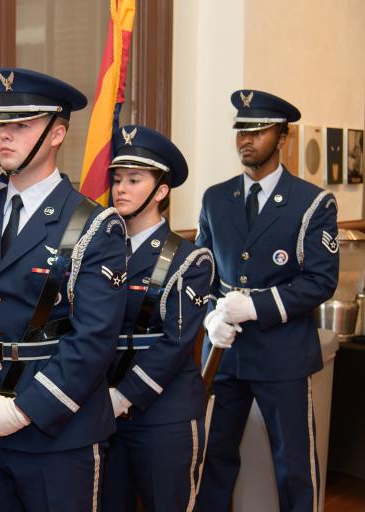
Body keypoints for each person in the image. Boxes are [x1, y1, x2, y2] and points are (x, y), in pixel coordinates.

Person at [0, 67, 128, 511]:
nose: (5, 137)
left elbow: (94, 340)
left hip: (56, 436)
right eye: (1, 125)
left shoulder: (94, 226)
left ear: (57, 134)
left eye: (22, 126)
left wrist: (25, 409)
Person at [196, 90, 339, 511]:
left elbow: (321, 281)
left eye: (258, 130)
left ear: (282, 137)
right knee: (213, 459)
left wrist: (256, 306)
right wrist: (208, 318)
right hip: (224, 353)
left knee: (293, 465)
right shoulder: (215, 198)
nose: (247, 138)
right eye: (241, 129)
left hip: (283, 353)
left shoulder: (312, 202)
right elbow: (202, 274)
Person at [101, 125, 214, 511]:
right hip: (103, 412)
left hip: (164, 416)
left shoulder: (190, 259)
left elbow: (174, 343)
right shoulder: (100, 253)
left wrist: (124, 395)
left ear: (161, 191)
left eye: (134, 180)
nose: (121, 189)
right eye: (117, 179)